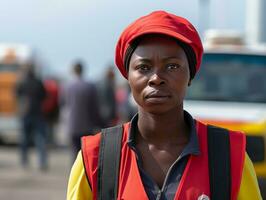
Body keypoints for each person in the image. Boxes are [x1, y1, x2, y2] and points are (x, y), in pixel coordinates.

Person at [67, 11, 262, 199]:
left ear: (190, 76)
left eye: (172, 66)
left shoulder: (231, 156)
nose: (156, 78)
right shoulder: (94, 157)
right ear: (128, 77)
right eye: (143, 67)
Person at [61, 61, 103, 161]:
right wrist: (98, 123)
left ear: (73, 71)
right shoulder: (90, 86)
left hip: (72, 123)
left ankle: (75, 174)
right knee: (86, 153)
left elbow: (63, 104)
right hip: (87, 124)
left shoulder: (67, 86)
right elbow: (94, 107)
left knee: (74, 153)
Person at [16, 62, 48, 171]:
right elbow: (45, 96)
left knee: (24, 138)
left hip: (25, 113)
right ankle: (42, 162)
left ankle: (24, 161)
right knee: (40, 139)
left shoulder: (22, 82)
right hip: (38, 114)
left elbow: (17, 95)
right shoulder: (39, 82)